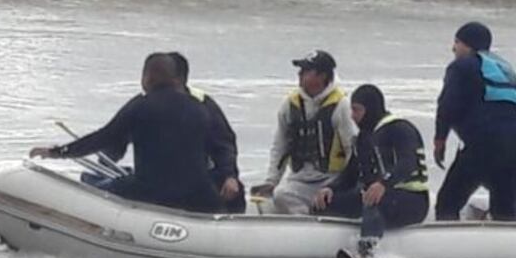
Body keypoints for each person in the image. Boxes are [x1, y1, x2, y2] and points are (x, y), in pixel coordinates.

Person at [29, 53, 222, 213]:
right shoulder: (201, 108)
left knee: (92, 186)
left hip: (149, 191)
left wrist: (57, 152)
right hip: (198, 195)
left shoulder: (141, 106)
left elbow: (102, 138)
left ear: (148, 78)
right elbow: (220, 150)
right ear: (175, 79)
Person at [312, 84, 429, 256]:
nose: (352, 117)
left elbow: (408, 162)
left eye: (357, 110)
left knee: (372, 202)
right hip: (377, 197)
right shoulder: (364, 138)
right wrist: (330, 188)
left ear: (371, 109)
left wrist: (383, 183)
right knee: (325, 202)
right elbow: (350, 174)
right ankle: (324, 250)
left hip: (412, 200)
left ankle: (366, 256)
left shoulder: (400, 129)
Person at [434, 22, 516, 221]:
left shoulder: (461, 66)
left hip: (484, 147)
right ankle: (506, 249)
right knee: (504, 210)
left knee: (447, 204)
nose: (453, 48)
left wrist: (440, 140)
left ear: (467, 45)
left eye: (457, 42)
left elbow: (447, 104)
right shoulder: (504, 68)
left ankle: (449, 249)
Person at [250, 50, 358, 214]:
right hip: (300, 180)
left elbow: (353, 149)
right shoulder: (289, 105)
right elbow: (280, 147)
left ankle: (314, 222)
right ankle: (305, 221)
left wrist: (349, 184)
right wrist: (272, 181)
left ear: (322, 76)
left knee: (332, 201)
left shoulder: (341, 106)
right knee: (281, 194)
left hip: (333, 179)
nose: (300, 74)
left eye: (306, 71)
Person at [169, 51, 246, 213]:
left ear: (177, 80)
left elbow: (224, 144)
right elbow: (118, 137)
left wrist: (230, 176)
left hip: (202, 177)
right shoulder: (145, 105)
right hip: (161, 177)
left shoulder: (204, 104)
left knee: (233, 192)